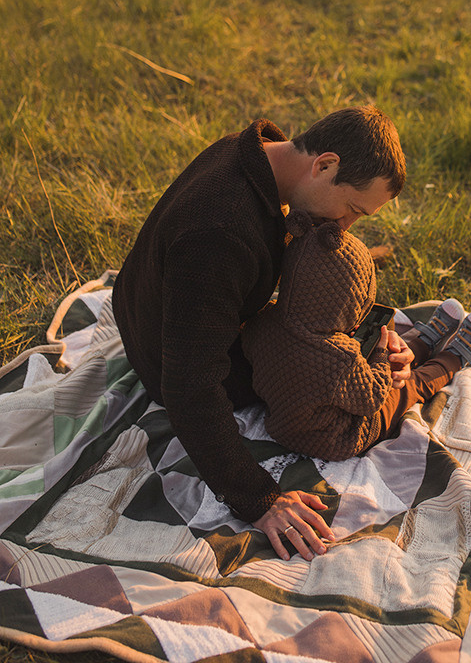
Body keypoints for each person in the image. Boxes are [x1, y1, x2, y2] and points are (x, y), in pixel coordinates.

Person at [111, 106, 411, 562]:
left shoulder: (251, 154)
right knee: (334, 396)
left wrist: (373, 331)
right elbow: (190, 384)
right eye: (352, 209)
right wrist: (260, 500)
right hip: (167, 358)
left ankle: (389, 353)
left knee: (345, 351)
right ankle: (433, 369)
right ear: (325, 165)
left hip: (193, 321)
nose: (345, 227)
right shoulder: (221, 229)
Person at [243, 210, 471, 509]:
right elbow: (370, 398)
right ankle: (451, 359)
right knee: (409, 386)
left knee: (390, 352)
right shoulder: (340, 358)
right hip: (338, 438)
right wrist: (379, 355)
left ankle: (421, 343)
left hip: (282, 423)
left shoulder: (263, 322)